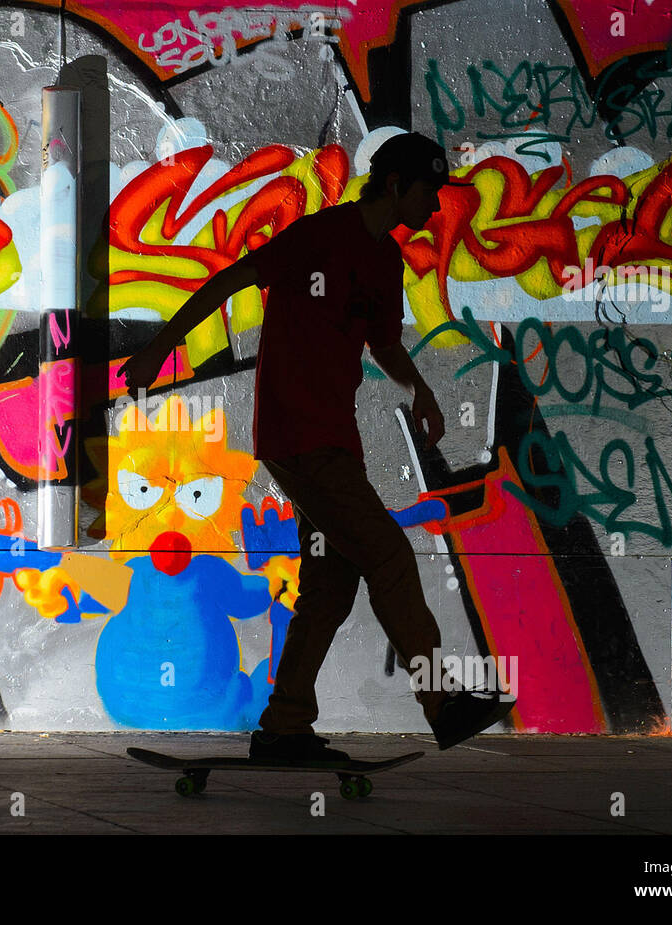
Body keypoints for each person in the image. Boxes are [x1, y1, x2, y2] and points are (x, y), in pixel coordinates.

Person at [118, 132, 515, 762]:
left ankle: (285, 725)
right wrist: (156, 349)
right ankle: (442, 702)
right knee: (387, 555)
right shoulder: (320, 235)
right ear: (394, 185)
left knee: (330, 584)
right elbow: (231, 282)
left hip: (335, 438)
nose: (436, 205)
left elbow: (383, 343)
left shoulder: (385, 261)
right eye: (429, 190)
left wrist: (420, 389)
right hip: (296, 434)